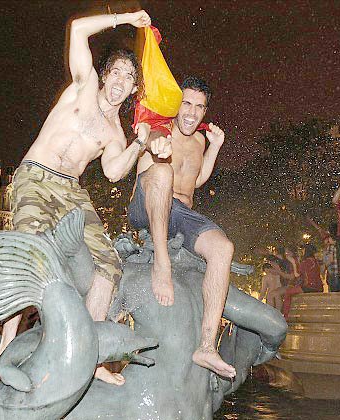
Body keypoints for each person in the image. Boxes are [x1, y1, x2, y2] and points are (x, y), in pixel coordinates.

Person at [0, 10, 161, 386]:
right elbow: (77, 28)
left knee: (109, 265)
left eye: (130, 78)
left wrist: (140, 141)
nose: (121, 81)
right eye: (117, 72)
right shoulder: (83, 83)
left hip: (71, 191)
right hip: (36, 177)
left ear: (134, 89)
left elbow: (113, 172)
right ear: (105, 74)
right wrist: (125, 18)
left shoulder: (115, 132)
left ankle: (89, 355)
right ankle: (7, 349)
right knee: (30, 251)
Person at [128, 76, 237, 378]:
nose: (191, 112)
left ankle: (206, 345)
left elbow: (195, 180)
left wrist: (215, 147)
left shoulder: (200, 140)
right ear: (176, 105)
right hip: (147, 203)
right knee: (162, 173)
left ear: (205, 112)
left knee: (223, 248)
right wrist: (154, 143)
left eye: (199, 107)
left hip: (181, 213)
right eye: (186, 103)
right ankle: (161, 265)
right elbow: (150, 139)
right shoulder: (161, 128)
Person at [281, 243, 324, 319]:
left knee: (288, 292)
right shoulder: (314, 261)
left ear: (307, 251)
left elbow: (297, 274)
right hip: (318, 286)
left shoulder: (306, 262)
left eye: (303, 250)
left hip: (310, 287)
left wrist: (293, 262)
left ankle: (285, 316)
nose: (302, 252)